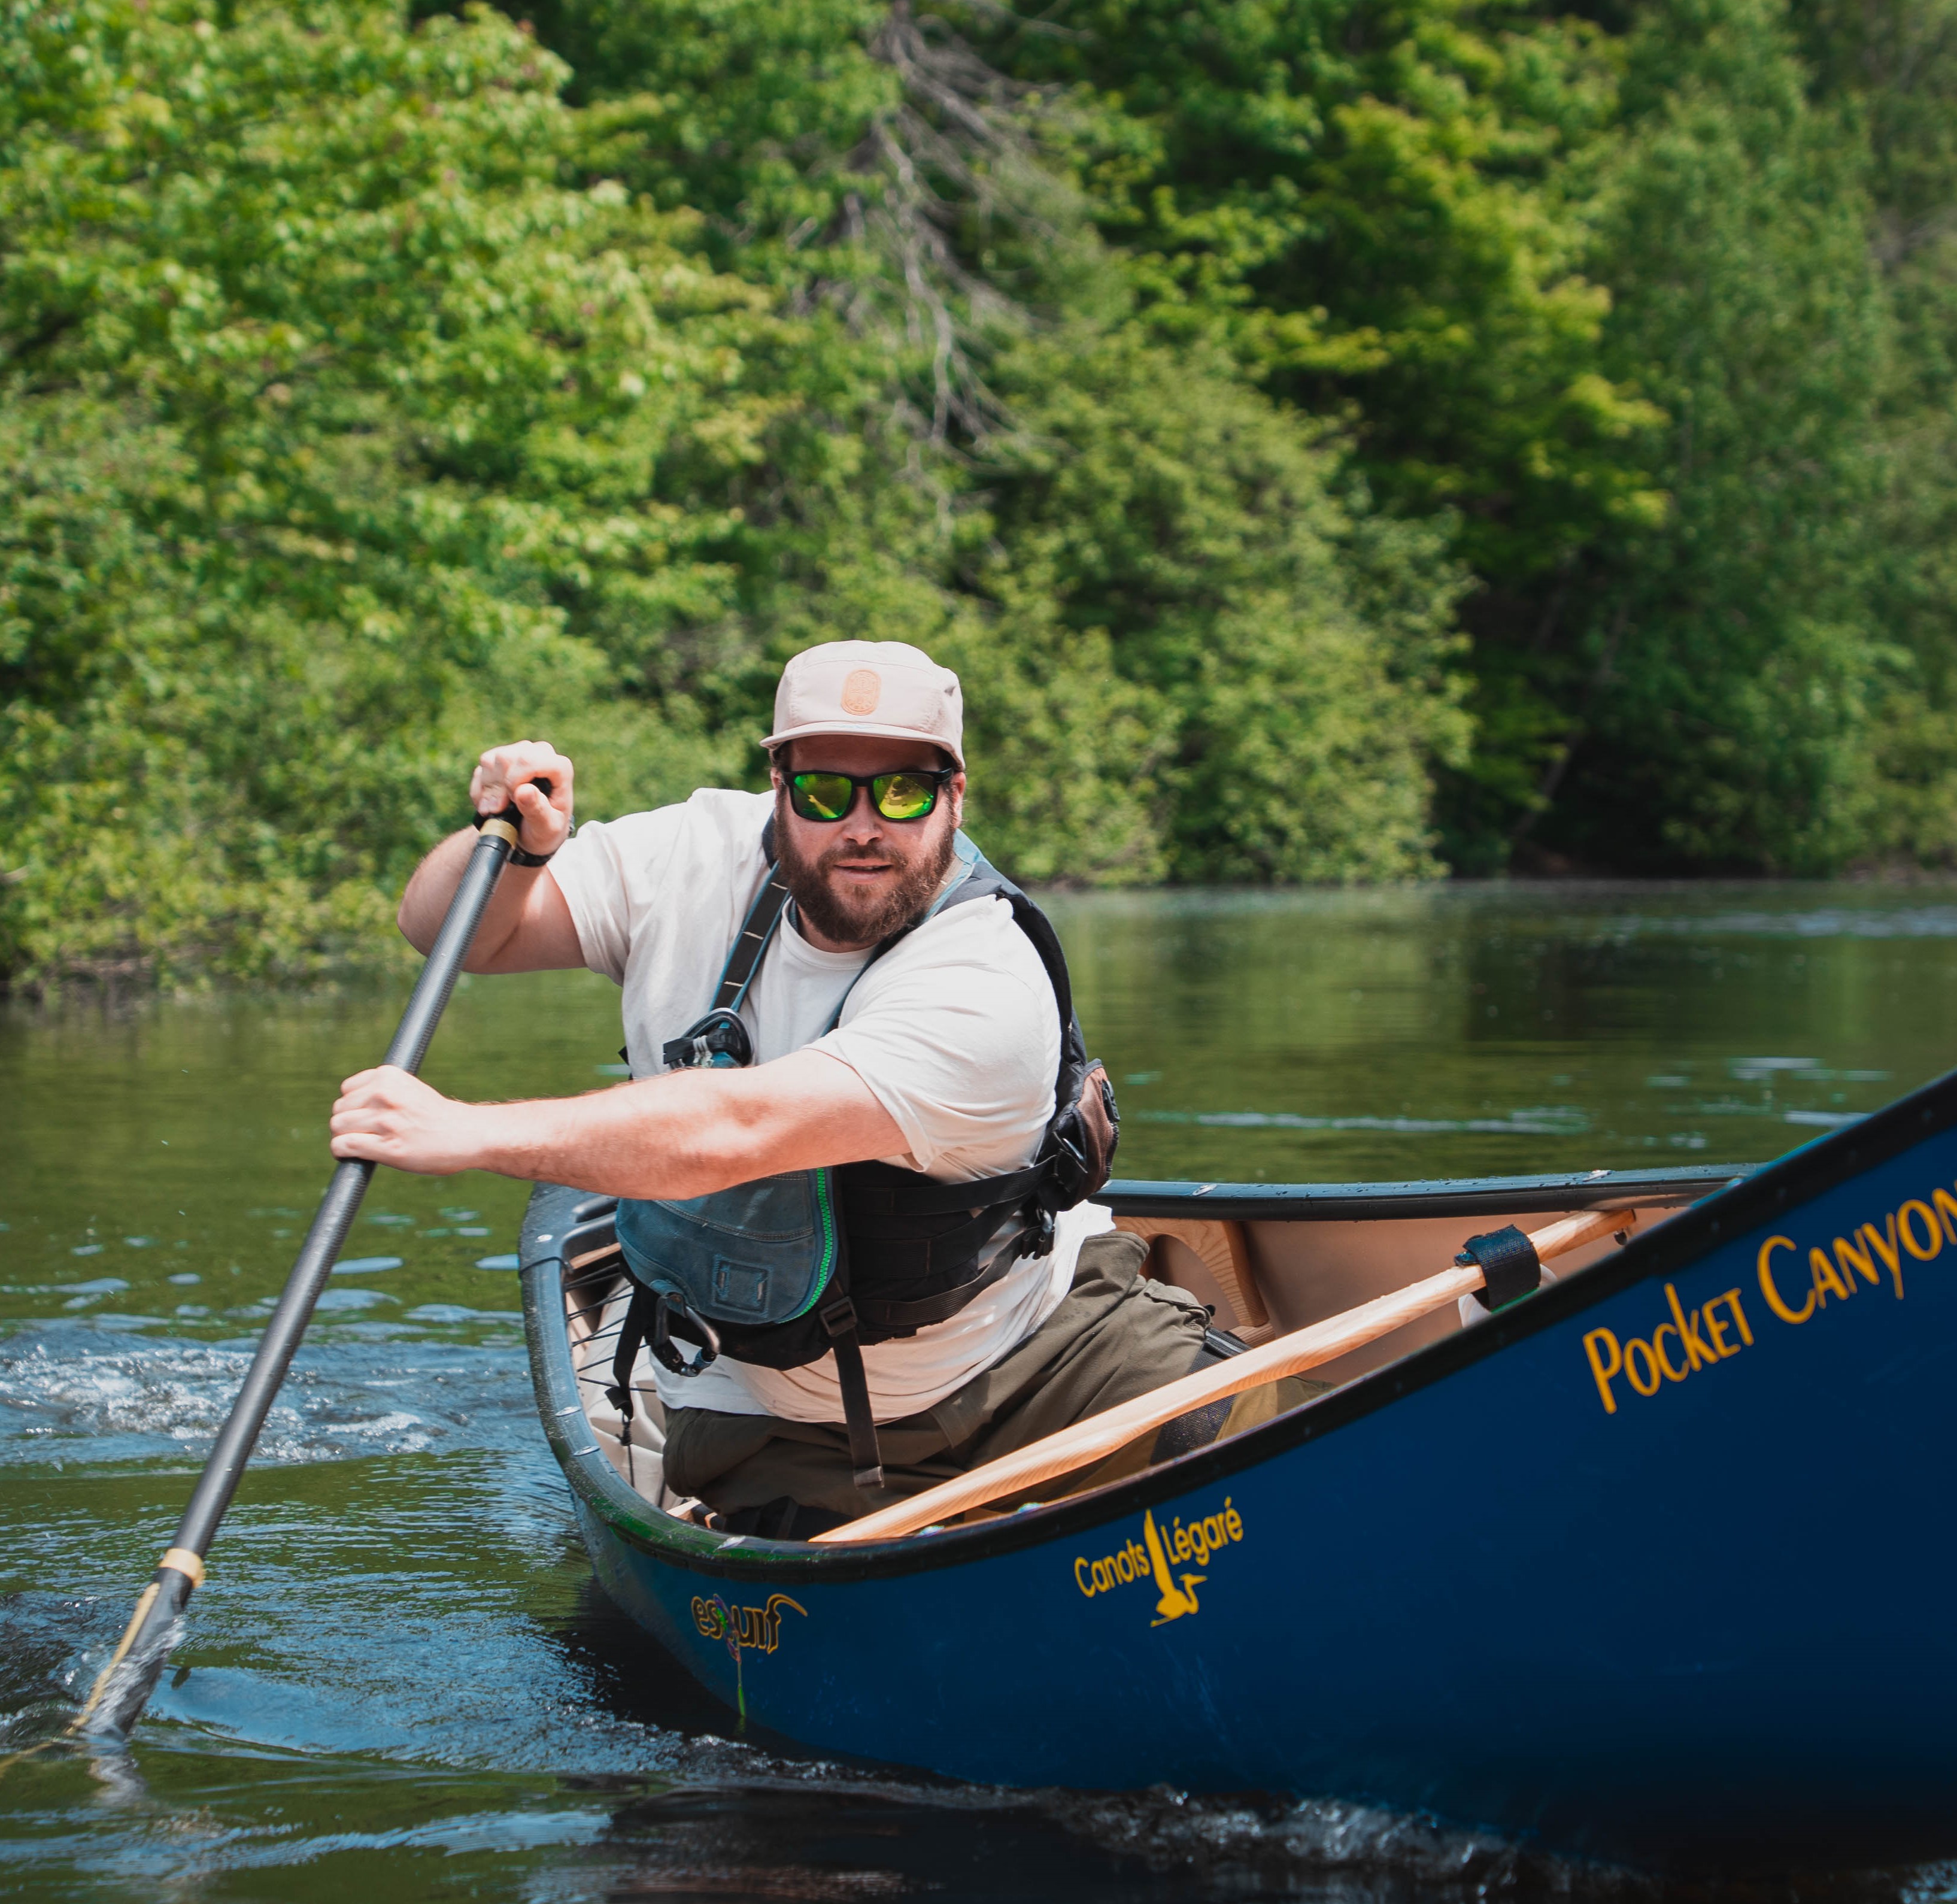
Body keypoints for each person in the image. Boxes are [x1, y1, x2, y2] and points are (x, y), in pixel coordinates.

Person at [330, 639, 1318, 1534]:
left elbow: (740, 1128)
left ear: (955, 795)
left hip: (1038, 1357)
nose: (861, 826)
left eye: (900, 793)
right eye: (822, 792)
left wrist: (466, 1132)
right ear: (777, 785)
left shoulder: (985, 979)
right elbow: (452, 927)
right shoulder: (686, 855)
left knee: (1286, 1479)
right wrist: (510, 845)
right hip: (768, 1407)